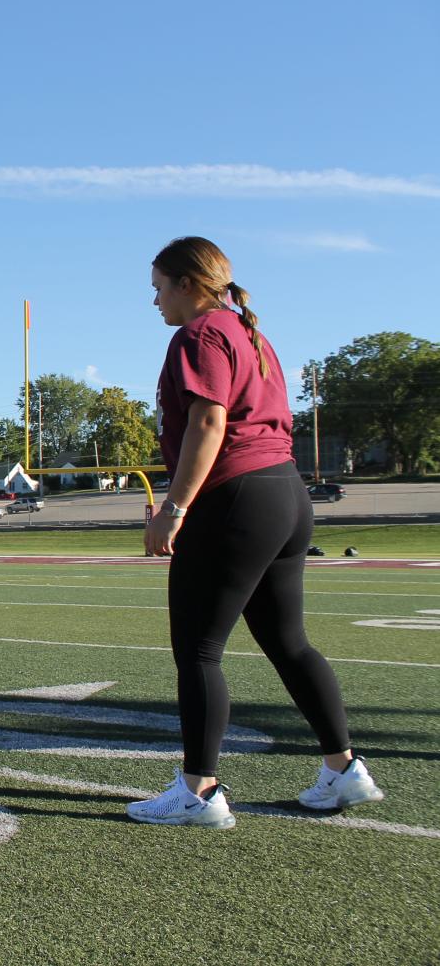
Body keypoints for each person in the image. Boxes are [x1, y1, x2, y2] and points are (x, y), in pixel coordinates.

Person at [128, 236, 383, 828]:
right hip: (285, 494)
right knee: (288, 641)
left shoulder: (198, 334)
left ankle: (198, 790)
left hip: (235, 497)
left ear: (188, 285)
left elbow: (210, 420)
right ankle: (343, 770)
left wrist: (175, 507)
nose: (156, 301)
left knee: (197, 649)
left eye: (159, 288)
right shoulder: (250, 333)